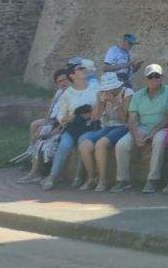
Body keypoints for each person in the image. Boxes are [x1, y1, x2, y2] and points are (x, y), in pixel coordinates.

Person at [113, 63, 168, 192]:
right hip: (142, 127)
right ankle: (123, 180)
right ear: (146, 79)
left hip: (162, 127)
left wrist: (154, 132)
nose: (154, 79)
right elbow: (132, 119)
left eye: (157, 76)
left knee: (158, 141)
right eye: (151, 76)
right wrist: (136, 136)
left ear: (162, 77)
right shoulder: (138, 95)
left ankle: (153, 179)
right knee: (121, 145)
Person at [42, 59, 100, 189]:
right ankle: (52, 177)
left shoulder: (95, 88)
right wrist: (67, 118)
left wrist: (91, 113)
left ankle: (80, 177)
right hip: (73, 126)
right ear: (72, 76)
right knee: (64, 145)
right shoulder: (67, 94)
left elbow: (101, 104)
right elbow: (61, 114)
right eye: (80, 69)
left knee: (83, 142)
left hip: (90, 126)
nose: (83, 70)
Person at [81, 73, 134, 191]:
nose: (108, 90)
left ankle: (103, 180)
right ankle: (91, 178)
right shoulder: (101, 95)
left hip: (122, 126)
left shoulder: (127, 93)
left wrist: (114, 101)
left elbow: (124, 117)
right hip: (107, 126)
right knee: (85, 145)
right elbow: (95, 117)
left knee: (101, 144)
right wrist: (100, 102)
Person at [18, 66, 71, 183]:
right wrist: (43, 125)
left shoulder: (72, 94)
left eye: (64, 79)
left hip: (61, 124)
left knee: (40, 139)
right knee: (35, 126)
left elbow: (65, 119)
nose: (63, 83)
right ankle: (34, 167)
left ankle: (36, 170)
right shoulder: (59, 93)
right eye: (59, 81)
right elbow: (50, 110)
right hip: (53, 120)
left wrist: (48, 130)